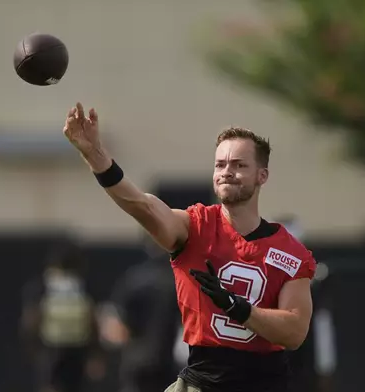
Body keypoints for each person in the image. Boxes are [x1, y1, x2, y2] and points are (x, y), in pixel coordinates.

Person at [63, 103, 317, 392]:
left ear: (262, 175)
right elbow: (141, 205)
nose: (227, 172)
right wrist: (94, 154)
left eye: (239, 165)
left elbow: (295, 332)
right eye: (220, 164)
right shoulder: (195, 227)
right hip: (201, 382)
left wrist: (237, 307)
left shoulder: (291, 253)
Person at [98, 237, 181, 392]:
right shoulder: (177, 281)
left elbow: (114, 327)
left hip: (136, 360)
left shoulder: (134, 278)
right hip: (165, 360)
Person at [20, 242, 102, 392]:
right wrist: (95, 354)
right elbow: (94, 321)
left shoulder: (42, 285)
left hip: (50, 348)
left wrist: (34, 349)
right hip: (79, 348)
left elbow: (31, 320)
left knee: (50, 386)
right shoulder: (84, 286)